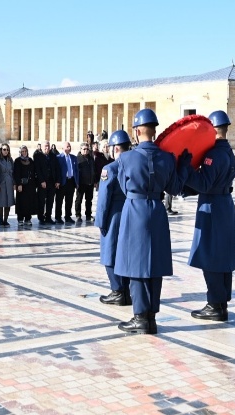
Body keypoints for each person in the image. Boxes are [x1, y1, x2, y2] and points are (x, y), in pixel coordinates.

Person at [114, 109, 188, 334]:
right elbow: (175, 188)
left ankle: (140, 318)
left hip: (135, 210)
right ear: (154, 131)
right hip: (157, 210)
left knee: (136, 265)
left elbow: (123, 187)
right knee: (154, 265)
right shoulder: (167, 158)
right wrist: (183, 165)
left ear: (137, 132)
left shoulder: (126, 157)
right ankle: (152, 317)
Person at [185, 111, 235, 321]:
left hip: (212, 207)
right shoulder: (229, 152)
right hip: (225, 206)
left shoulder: (213, 155)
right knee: (223, 256)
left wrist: (185, 169)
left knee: (211, 257)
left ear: (213, 129)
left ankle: (214, 305)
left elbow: (203, 183)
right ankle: (221, 303)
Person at [95, 130, 132, 307]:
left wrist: (100, 221)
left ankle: (117, 290)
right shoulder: (134, 165)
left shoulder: (109, 169)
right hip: (131, 213)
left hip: (113, 215)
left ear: (116, 148)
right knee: (125, 253)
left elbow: (103, 199)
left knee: (109, 252)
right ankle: (126, 290)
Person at [33, 138, 59, 224]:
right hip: (42, 183)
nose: (47, 148)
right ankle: (41, 217)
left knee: (50, 201)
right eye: (45, 146)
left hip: (51, 182)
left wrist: (57, 181)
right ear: (41, 147)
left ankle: (48, 217)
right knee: (41, 201)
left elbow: (57, 168)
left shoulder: (53, 156)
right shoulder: (38, 156)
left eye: (48, 146)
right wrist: (41, 181)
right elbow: (37, 170)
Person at [54, 141, 79, 224]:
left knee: (69, 200)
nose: (69, 148)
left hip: (71, 181)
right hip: (61, 182)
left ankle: (68, 216)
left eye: (70, 146)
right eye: (67, 146)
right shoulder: (58, 158)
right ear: (63, 148)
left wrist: (77, 182)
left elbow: (76, 170)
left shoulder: (74, 158)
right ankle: (58, 217)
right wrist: (57, 181)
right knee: (59, 201)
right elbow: (57, 171)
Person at [12, 145, 37, 226]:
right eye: (22, 151)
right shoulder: (17, 161)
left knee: (29, 202)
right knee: (21, 202)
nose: (24, 153)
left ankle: (28, 218)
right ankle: (20, 218)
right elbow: (16, 173)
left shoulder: (31, 160)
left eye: (25, 151)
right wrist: (18, 183)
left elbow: (33, 172)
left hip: (30, 185)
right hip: (21, 185)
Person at [0, 143, 15, 227]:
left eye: (7, 149)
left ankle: (6, 220)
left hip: (9, 183)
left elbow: (13, 172)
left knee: (8, 202)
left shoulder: (10, 160)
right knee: (1, 202)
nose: (6, 151)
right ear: (1, 150)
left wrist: (14, 183)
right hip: (1, 183)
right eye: (4, 149)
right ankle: (1, 220)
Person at [74, 142, 95, 222]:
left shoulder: (91, 158)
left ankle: (88, 215)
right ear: (81, 149)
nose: (86, 151)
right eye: (84, 149)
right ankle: (78, 215)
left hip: (90, 183)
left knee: (89, 200)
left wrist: (94, 180)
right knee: (79, 199)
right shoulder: (78, 159)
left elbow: (94, 170)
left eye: (87, 149)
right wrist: (77, 183)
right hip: (81, 183)